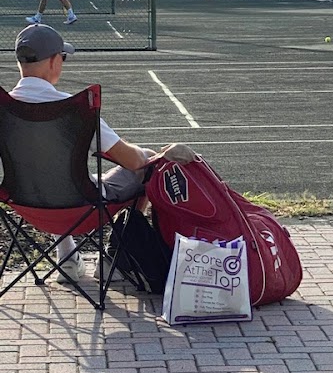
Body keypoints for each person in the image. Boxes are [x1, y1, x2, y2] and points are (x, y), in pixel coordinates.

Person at [10, 23, 196, 283]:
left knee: (47, 176)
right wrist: (159, 153)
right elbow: (133, 161)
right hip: (81, 208)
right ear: (53, 61)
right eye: (62, 58)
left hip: (26, 206)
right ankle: (113, 260)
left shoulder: (5, 109)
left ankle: (67, 259)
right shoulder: (73, 109)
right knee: (145, 163)